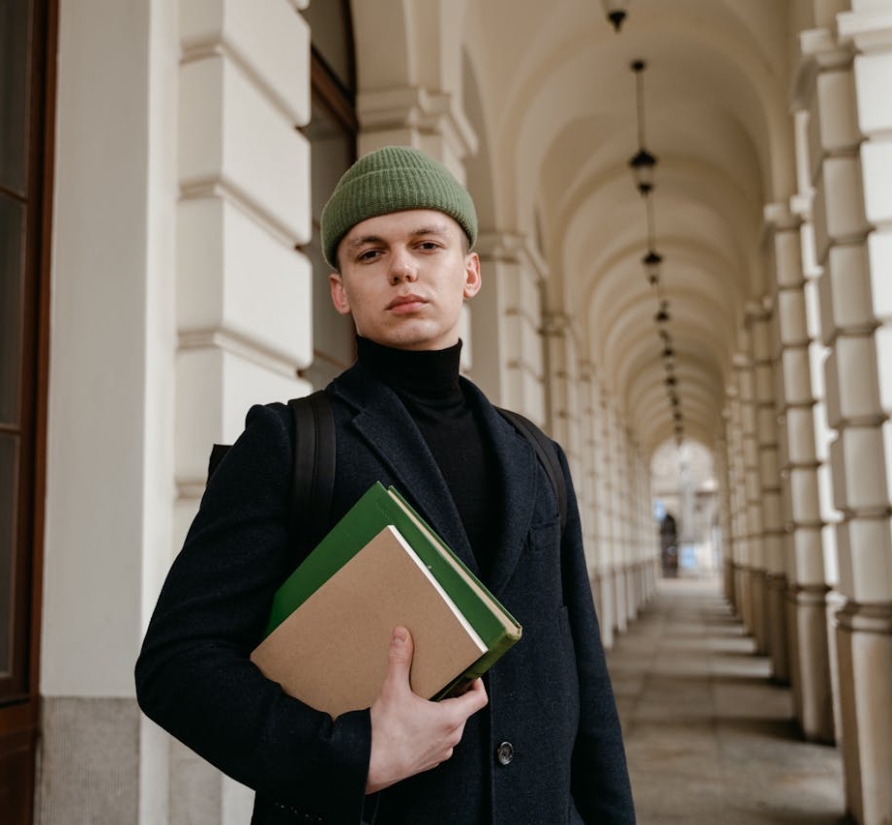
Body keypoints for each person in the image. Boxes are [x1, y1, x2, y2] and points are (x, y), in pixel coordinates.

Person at [135, 146, 636, 824]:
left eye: (427, 243)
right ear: (340, 288)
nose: (402, 265)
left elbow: (585, 677)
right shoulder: (291, 444)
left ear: (470, 271)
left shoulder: (537, 455)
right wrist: (350, 756)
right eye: (370, 253)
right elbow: (176, 664)